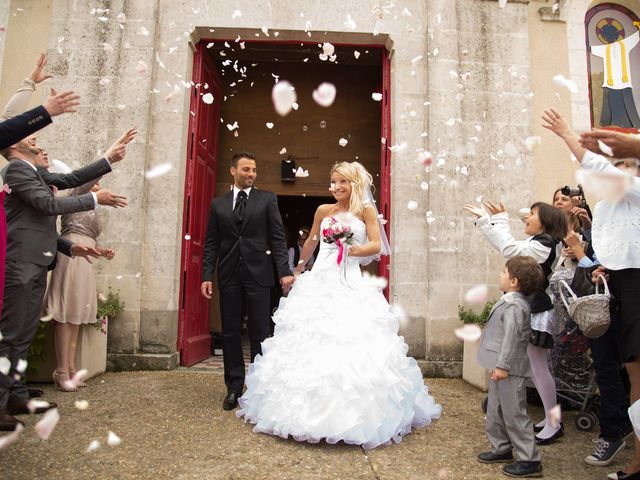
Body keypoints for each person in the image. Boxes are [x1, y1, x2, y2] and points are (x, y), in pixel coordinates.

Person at [236, 161, 441, 448]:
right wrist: (298, 268)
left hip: (349, 279)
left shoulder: (365, 211)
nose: (336, 187)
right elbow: (311, 241)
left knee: (349, 340)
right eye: (333, 182)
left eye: (342, 182)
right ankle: (301, 413)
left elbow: (376, 245)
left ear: (354, 183)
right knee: (310, 339)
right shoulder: (323, 211)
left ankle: (351, 416)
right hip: (320, 277)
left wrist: (350, 247)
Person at [0, 140, 127, 431]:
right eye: (29, 138)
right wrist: (95, 199)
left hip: (36, 261)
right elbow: (48, 206)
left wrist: (70, 248)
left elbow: (66, 185)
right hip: (19, 262)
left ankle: (17, 395)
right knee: (12, 333)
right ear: (13, 147)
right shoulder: (16, 170)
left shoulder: (36, 173)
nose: (36, 141)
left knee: (25, 332)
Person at [542, 108, 640, 479]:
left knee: (632, 368)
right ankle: (626, 446)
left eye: (626, 162)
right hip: (613, 281)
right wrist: (601, 265)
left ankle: (630, 453)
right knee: (619, 366)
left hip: (635, 283)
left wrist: (568, 134)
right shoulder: (608, 204)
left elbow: (600, 169)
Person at [464, 200, 567, 445]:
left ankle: (554, 423)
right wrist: (497, 220)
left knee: (540, 369)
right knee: (541, 368)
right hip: (531, 308)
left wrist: (487, 222)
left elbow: (510, 251)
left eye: (532, 214)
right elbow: (512, 247)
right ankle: (551, 418)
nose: (526, 218)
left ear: (547, 222)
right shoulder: (538, 242)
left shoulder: (544, 244)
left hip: (536, 310)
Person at [201, 151, 294, 411]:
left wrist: (283, 270)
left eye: (253, 169)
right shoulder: (218, 205)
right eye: (245, 169)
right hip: (229, 273)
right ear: (233, 172)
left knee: (259, 331)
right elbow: (211, 243)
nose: (251, 174)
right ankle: (233, 387)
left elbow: (277, 239)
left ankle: (259, 386)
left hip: (260, 274)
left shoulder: (268, 200)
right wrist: (207, 275)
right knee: (230, 331)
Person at [477, 256, 545, 478]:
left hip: (509, 369)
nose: (500, 275)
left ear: (514, 281)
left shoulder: (516, 306)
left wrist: (503, 365)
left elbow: (512, 338)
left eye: (503, 272)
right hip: (500, 367)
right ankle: (501, 447)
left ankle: (529, 459)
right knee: (495, 409)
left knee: (514, 412)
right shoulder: (509, 300)